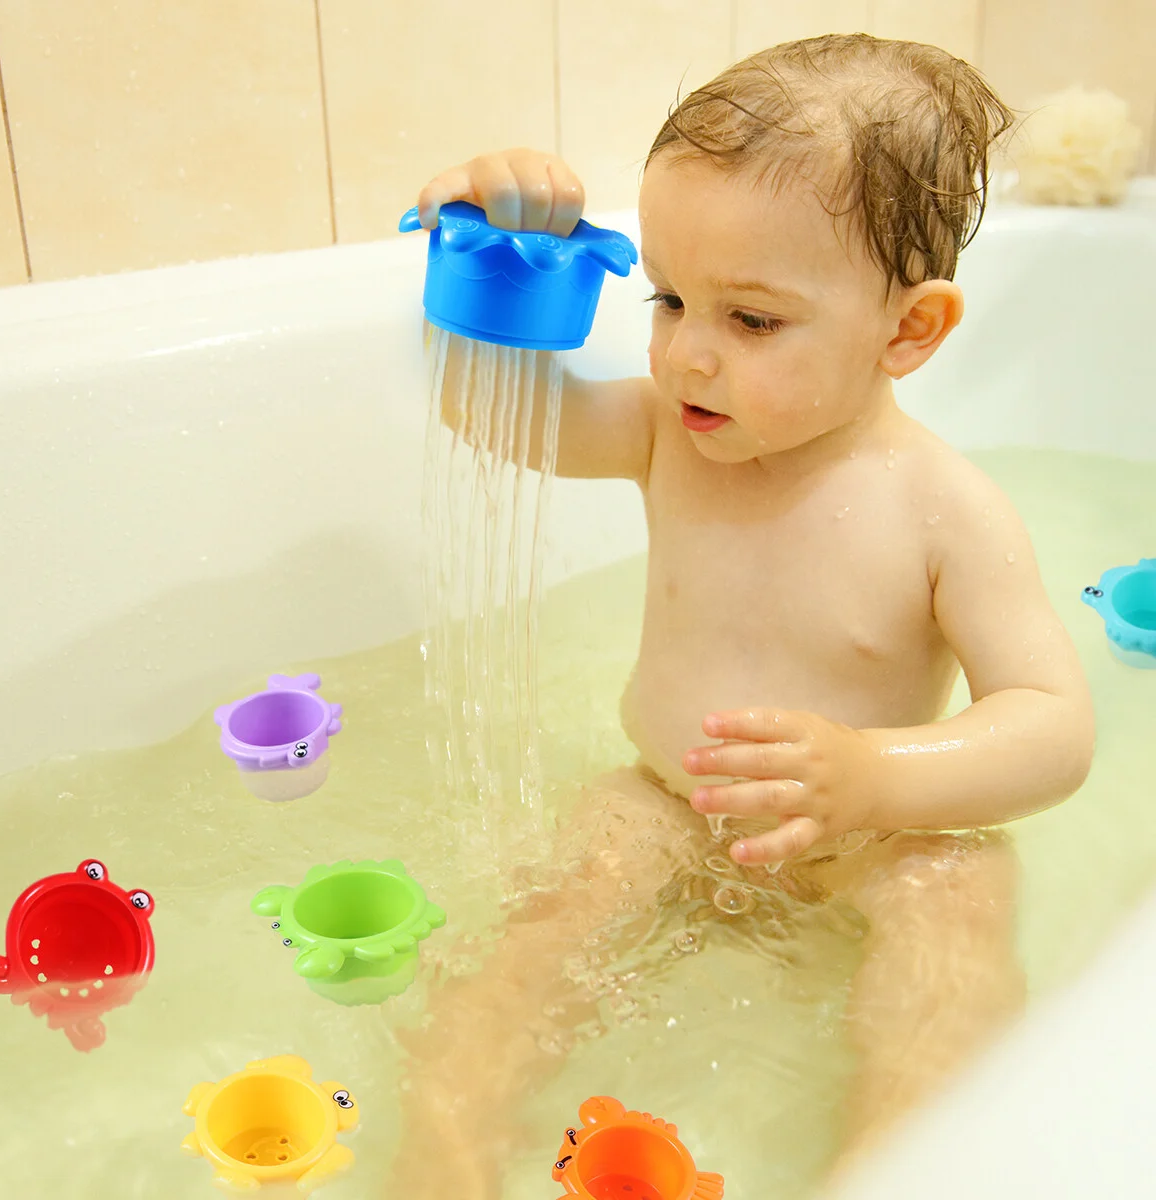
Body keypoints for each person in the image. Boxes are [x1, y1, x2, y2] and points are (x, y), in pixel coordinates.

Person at [395, 32, 1095, 1196]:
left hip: (870, 842)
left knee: (957, 896)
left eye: (753, 321)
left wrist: (876, 776)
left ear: (908, 331)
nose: (686, 355)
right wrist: (486, 252)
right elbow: (491, 409)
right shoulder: (663, 433)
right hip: (667, 801)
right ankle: (445, 1150)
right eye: (671, 299)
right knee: (533, 939)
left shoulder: (944, 510)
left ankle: (892, 1167)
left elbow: (1053, 725)